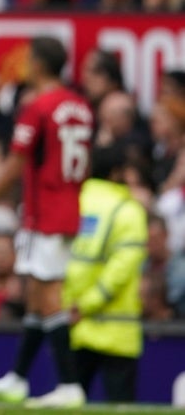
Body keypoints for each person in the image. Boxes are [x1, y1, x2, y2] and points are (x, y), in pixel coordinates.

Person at [0, 36, 93, 408]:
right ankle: (18, 378)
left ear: (38, 64)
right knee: (38, 298)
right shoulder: (80, 106)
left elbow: (16, 161)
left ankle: (69, 385)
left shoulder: (39, 106)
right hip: (68, 205)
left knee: (48, 296)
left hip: (46, 212)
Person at [65, 143, 147, 402]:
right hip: (117, 328)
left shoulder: (73, 203)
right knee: (120, 407)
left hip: (74, 322)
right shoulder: (128, 211)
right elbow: (121, 269)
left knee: (69, 403)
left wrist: (72, 307)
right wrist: (89, 304)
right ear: (116, 172)